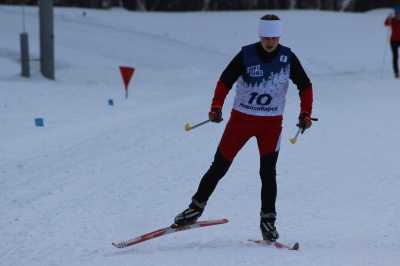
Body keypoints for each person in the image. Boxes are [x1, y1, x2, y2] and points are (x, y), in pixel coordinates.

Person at [172, 14, 314, 242]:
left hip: (271, 125)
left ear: (279, 36)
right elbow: (224, 81)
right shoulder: (247, 54)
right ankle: (194, 210)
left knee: (268, 173)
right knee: (219, 166)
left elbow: (305, 86)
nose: (270, 42)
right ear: (259, 35)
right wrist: (216, 106)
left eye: (274, 37)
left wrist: (305, 113)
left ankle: (268, 222)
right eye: (266, 37)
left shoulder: (287, 57)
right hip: (241, 121)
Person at [384, 7, 400, 78]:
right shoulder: (392, 20)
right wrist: (388, 18)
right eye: (396, 14)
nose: (397, 15)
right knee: (395, 56)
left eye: (399, 14)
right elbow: (386, 23)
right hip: (393, 40)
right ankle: (396, 72)